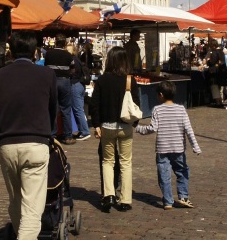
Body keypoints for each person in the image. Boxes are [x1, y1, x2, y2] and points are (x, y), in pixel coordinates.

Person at [0, 31, 57, 239]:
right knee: (32, 206)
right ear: (35, 51)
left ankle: (21, 233)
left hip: (8, 143)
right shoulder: (46, 75)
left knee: (16, 199)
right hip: (36, 142)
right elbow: (53, 109)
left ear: (11, 52)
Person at [135, 81, 201, 210]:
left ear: (160, 95)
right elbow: (188, 129)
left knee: (164, 175)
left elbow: (152, 128)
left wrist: (138, 128)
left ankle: (168, 201)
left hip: (162, 149)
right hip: (178, 149)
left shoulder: (157, 109)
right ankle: (183, 196)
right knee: (182, 171)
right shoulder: (181, 109)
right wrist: (195, 146)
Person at [90, 46, 140, 213]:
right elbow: (137, 104)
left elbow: (94, 104)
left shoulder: (102, 80)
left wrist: (96, 125)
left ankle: (109, 194)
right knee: (126, 163)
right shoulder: (129, 80)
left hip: (107, 126)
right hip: (125, 126)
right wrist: (134, 123)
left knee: (108, 161)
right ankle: (125, 199)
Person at [45, 34, 76, 145]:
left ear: (56, 42)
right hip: (64, 81)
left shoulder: (49, 54)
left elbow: (46, 67)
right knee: (66, 109)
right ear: (64, 44)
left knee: (52, 108)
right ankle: (68, 136)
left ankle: (52, 135)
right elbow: (73, 70)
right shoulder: (68, 55)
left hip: (52, 81)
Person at [67, 44, 91, 141]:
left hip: (75, 84)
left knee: (77, 109)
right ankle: (82, 130)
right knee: (79, 108)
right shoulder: (77, 59)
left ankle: (85, 131)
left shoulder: (72, 60)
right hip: (80, 85)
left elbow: (72, 73)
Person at [203, 39, 225, 107]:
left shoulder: (214, 52)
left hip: (214, 72)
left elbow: (212, 62)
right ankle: (219, 101)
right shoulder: (221, 51)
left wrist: (208, 61)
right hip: (220, 72)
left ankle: (218, 101)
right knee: (218, 87)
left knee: (214, 87)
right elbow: (221, 61)